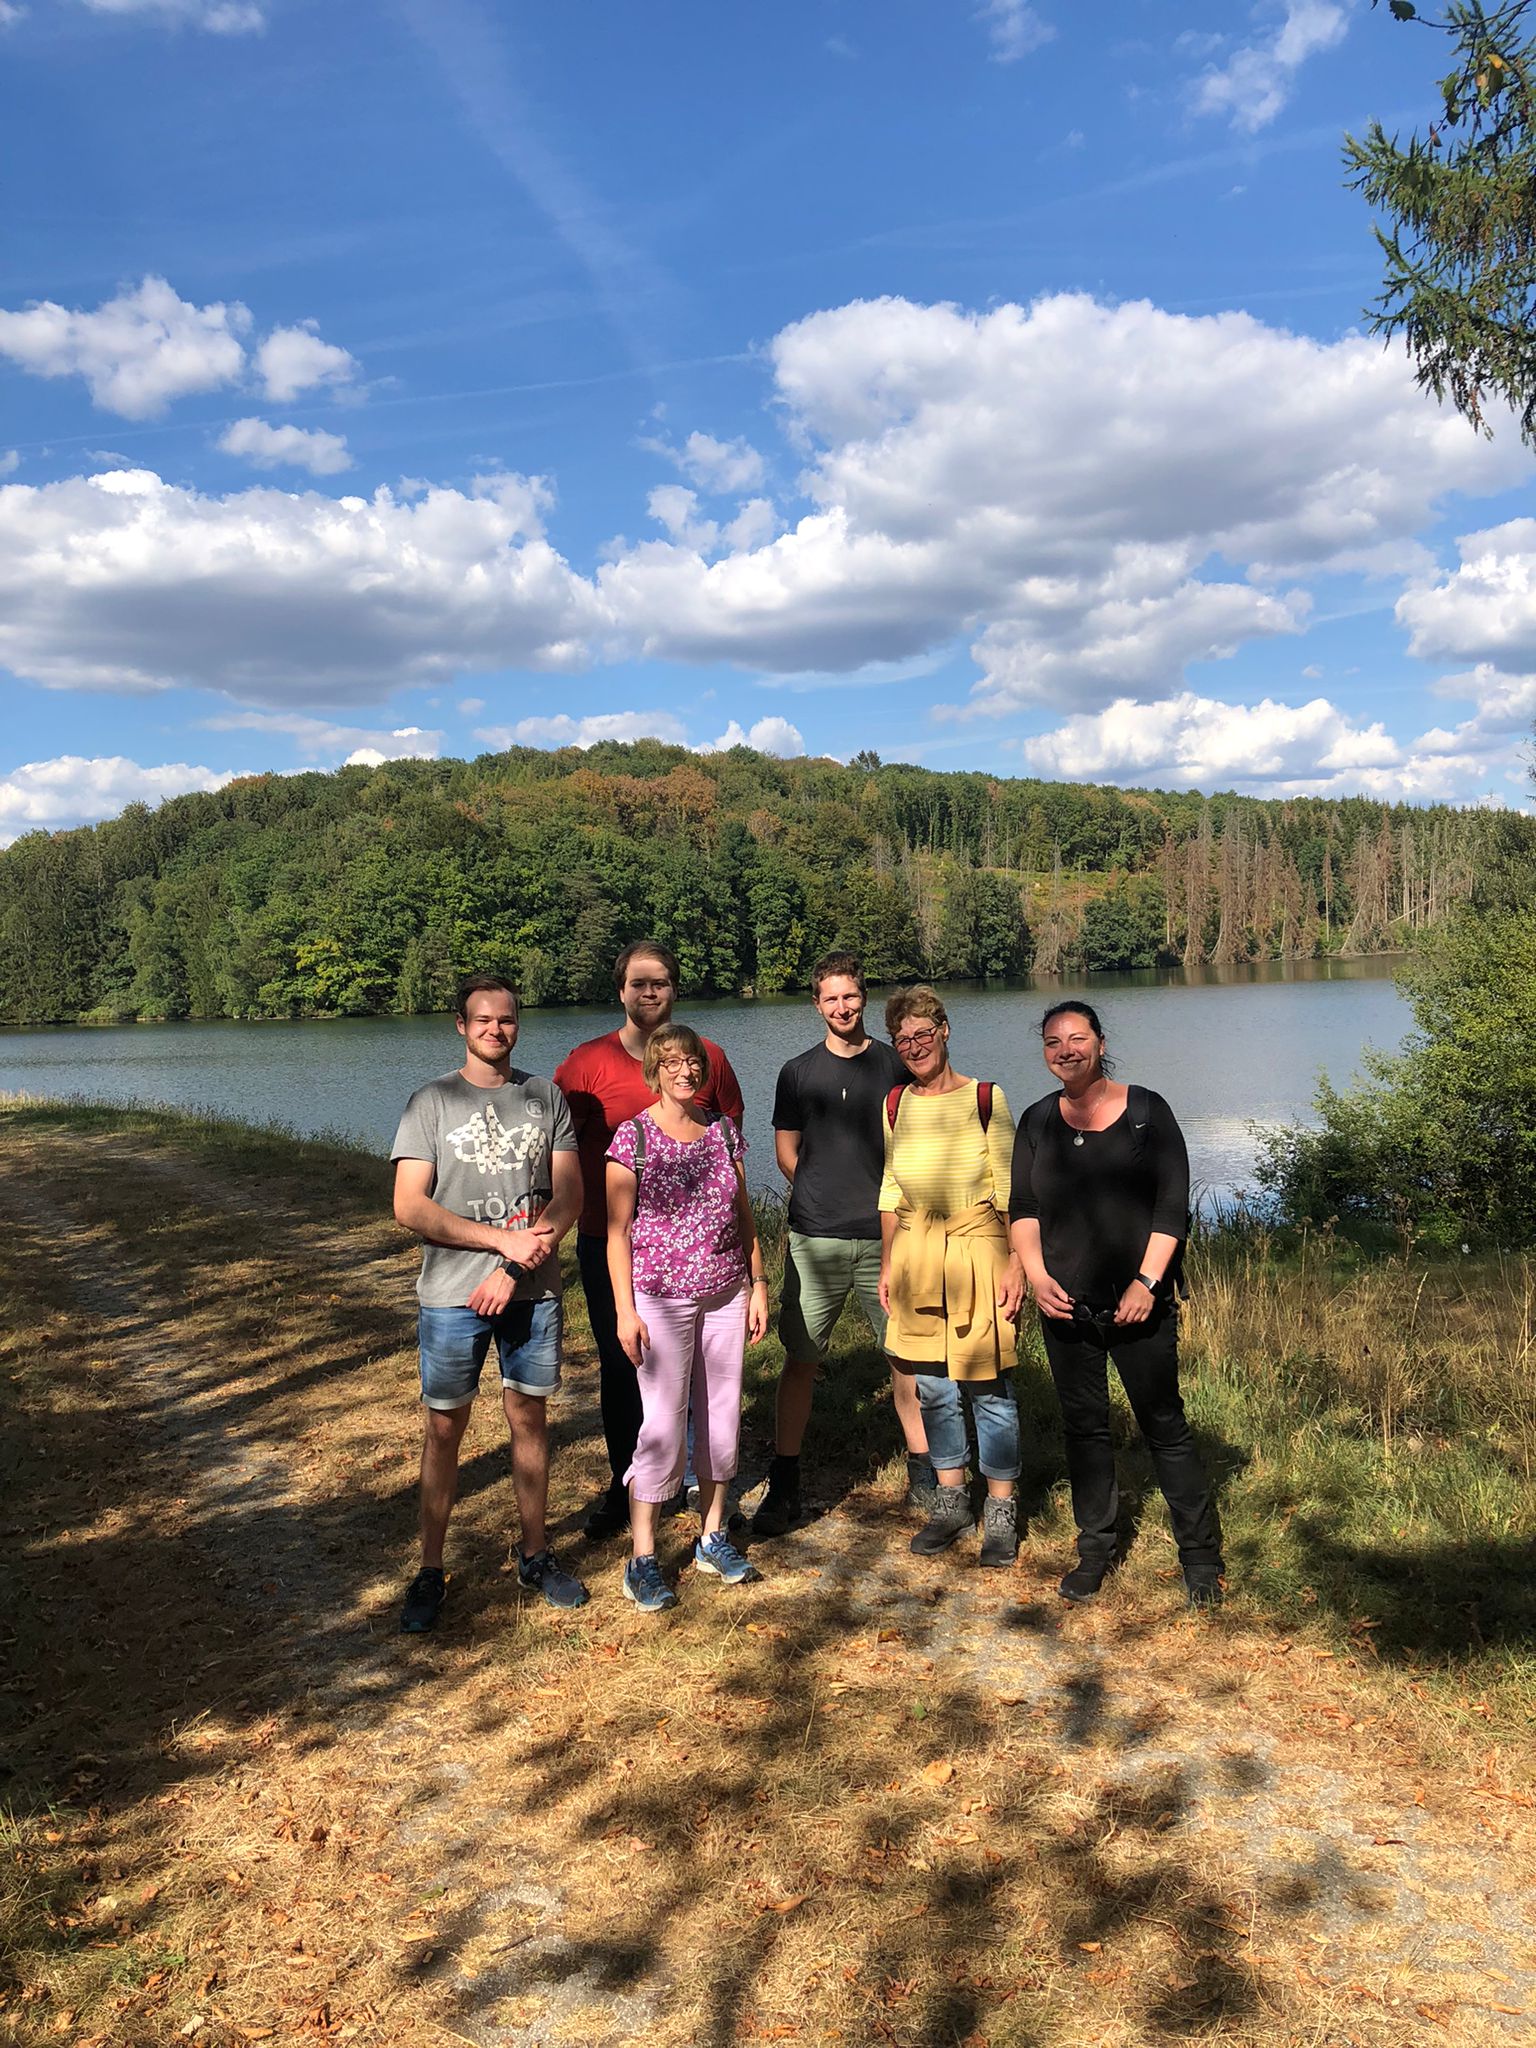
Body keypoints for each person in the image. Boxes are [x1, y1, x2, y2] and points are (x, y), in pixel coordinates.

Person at [1008, 1000, 1225, 1610]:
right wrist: (1035, 1276)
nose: (1066, 1050)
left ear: (1101, 1044)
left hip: (1138, 1307)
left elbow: (1171, 1208)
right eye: (1053, 1042)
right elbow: (1023, 1208)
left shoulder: (1147, 1112)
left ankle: (1200, 1557)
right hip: (1065, 1307)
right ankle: (1095, 1550)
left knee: (1164, 1425)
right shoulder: (1037, 1121)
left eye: (1077, 1038)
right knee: (1085, 1429)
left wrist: (1147, 1283)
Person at [392, 973, 588, 1632]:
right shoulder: (432, 1102)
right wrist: (499, 1241)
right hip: (452, 1294)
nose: (495, 1030)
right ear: (461, 1026)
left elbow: (568, 1197)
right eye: (483, 1020)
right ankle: (430, 1569)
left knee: (528, 1419)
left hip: (531, 1292)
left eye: (506, 1020)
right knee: (445, 1428)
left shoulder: (544, 1097)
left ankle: (535, 1554)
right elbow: (409, 1205)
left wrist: (512, 1264)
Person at [555, 943, 745, 1539]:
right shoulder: (587, 1062)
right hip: (608, 1240)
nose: (649, 992)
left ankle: (691, 1484)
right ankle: (626, 1487)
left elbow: (730, 1145)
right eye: (638, 983)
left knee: (696, 1380)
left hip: (702, 1258)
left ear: (674, 990)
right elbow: (557, 1146)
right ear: (621, 991)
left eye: (660, 982)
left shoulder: (708, 1058)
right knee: (623, 1366)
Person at [753, 952, 931, 1537]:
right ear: (816, 1005)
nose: (841, 1007)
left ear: (864, 998)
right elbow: (786, 1152)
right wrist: (817, 1191)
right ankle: (785, 1479)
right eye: (830, 998)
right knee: (802, 1359)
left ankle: (925, 1471)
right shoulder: (797, 1072)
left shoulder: (894, 1065)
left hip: (888, 1237)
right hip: (816, 1238)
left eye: (850, 996)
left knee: (904, 1355)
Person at [605, 1024, 769, 1610]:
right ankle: (643, 1557)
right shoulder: (633, 1138)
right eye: (671, 1062)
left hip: (726, 1294)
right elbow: (617, 1234)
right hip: (660, 1300)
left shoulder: (722, 1131)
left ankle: (712, 1536)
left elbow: (744, 1216)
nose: (685, 1071)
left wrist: (757, 1284)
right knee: (663, 1428)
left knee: (722, 1419)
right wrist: (625, 1311)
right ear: (655, 1071)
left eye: (693, 1061)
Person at [877, 986, 1025, 1567]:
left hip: (976, 1252)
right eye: (903, 1039)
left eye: (923, 1033)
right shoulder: (895, 1104)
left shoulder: (986, 1098)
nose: (915, 1046)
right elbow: (891, 1188)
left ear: (944, 1031)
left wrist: (1016, 1262)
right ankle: (951, 1502)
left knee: (989, 1388)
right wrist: (888, 1261)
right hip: (916, 1255)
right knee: (934, 1389)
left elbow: (1010, 1188)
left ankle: (1001, 1508)